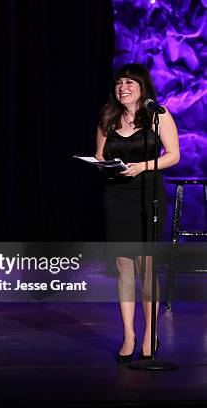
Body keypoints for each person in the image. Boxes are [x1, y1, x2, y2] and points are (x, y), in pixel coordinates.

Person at [95, 63, 179, 363]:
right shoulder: (108, 117)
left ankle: (149, 335)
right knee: (124, 268)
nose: (123, 87)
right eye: (119, 82)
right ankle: (129, 334)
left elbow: (173, 155)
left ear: (142, 87)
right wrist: (105, 166)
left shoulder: (159, 115)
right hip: (116, 194)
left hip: (147, 194)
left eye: (129, 82)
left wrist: (142, 166)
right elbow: (100, 156)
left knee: (146, 267)